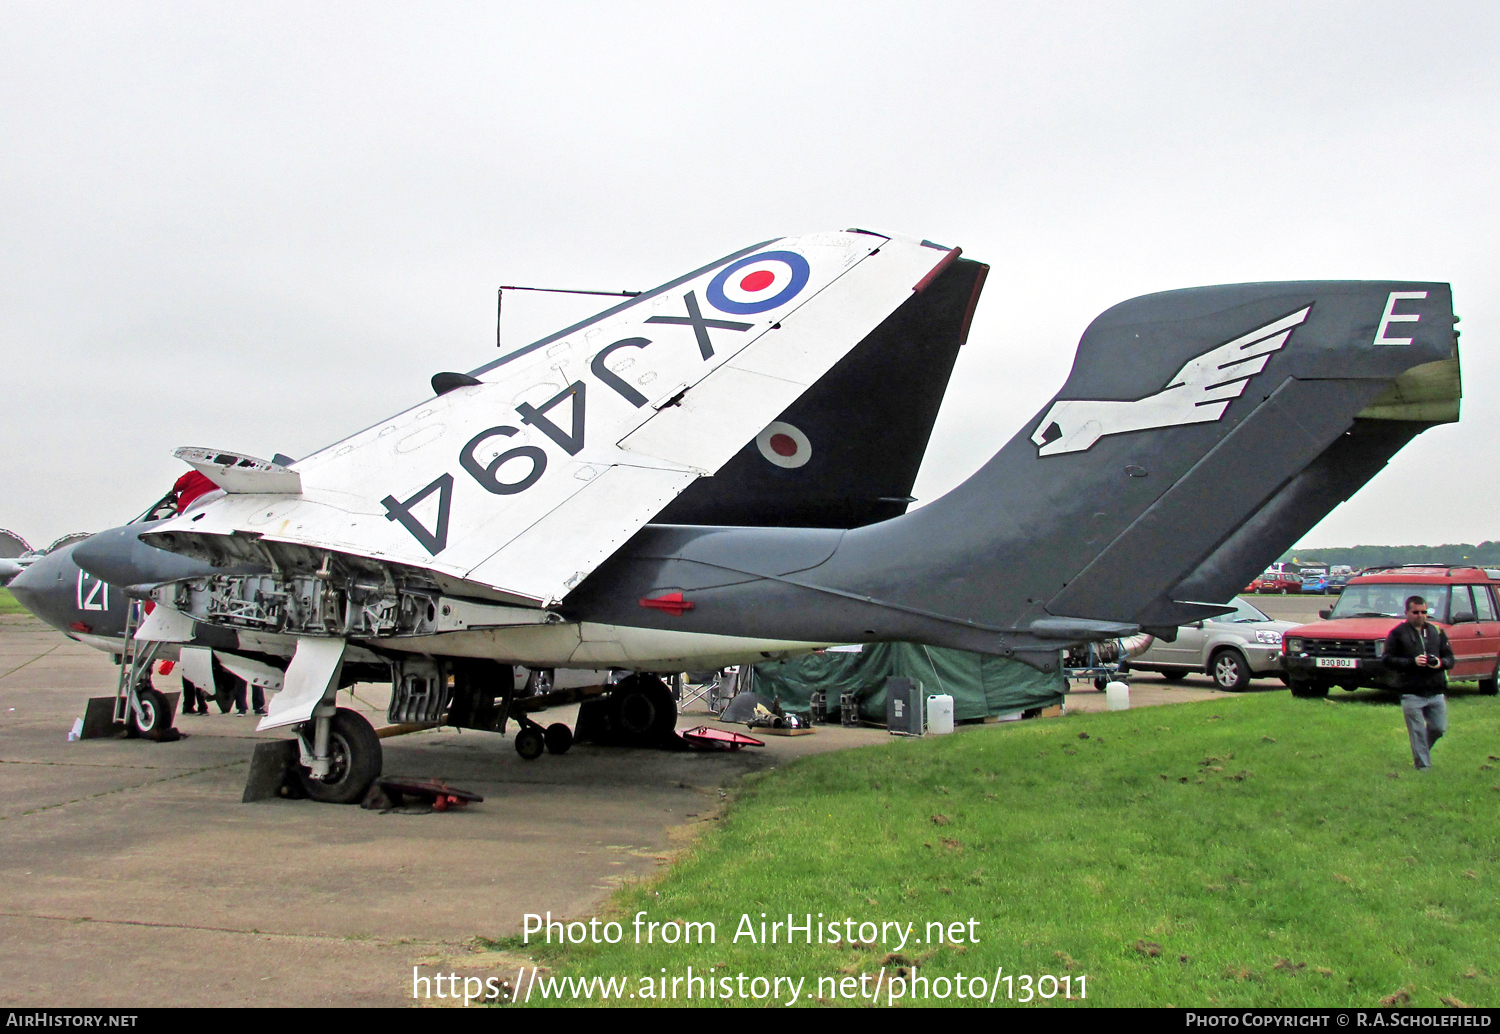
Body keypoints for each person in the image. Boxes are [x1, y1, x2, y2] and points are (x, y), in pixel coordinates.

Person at [1383, 595, 1454, 770]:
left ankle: (1422, 753)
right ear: (1407, 612)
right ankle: (1423, 768)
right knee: (1417, 732)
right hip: (1411, 691)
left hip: (1435, 689)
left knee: (1438, 728)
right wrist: (1411, 662)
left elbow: (1450, 658)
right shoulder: (1397, 634)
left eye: (1424, 612)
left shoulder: (1436, 632)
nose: (1420, 616)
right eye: (1416, 612)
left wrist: (1439, 663)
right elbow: (1387, 659)